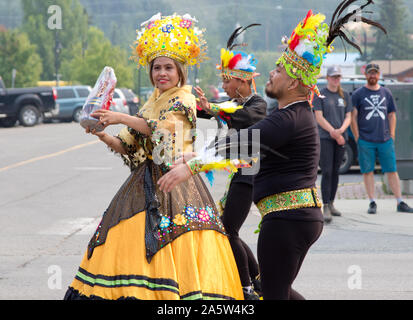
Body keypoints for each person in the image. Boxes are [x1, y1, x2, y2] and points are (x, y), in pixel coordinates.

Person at [158, 3, 386, 300]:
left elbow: (246, 140)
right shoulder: (292, 114)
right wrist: (194, 156)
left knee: (273, 294)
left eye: (277, 70)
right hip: (291, 218)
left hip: (287, 220)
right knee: (276, 291)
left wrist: (191, 165)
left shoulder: (289, 118)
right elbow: (245, 143)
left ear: (293, 81)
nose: (270, 74)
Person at [64, 13, 243, 300]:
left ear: (180, 72)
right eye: (157, 67)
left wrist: (120, 116)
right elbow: (128, 145)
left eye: (168, 68)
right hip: (142, 182)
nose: (162, 73)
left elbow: (160, 131)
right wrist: (101, 132)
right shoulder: (151, 100)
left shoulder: (184, 98)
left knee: (175, 251)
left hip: (177, 182)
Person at [194, 25, 267, 299]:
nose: (223, 86)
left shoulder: (258, 105)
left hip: (250, 176)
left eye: (227, 81)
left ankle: (247, 285)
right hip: (240, 175)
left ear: (242, 81)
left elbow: (243, 117)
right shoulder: (234, 104)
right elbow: (216, 111)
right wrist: (189, 104)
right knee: (229, 228)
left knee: (228, 229)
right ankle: (258, 279)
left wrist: (212, 108)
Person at [351, 63, 413, 214]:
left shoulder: (386, 92)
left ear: (379, 75)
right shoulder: (358, 94)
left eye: (375, 73)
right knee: (368, 171)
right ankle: (372, 202)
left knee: (392, 170)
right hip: (366, 139)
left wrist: (391, 134)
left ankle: (399, 202)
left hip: (385, 139)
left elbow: (392, 114)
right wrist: (357, 137)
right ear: (366, 75)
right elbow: (353, 116)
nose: (373, 76)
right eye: (370, 73)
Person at [313, 66, 352, 223]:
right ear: (328, 78)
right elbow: (319, 117)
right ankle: (326, 205)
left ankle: (332, 202)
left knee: (336, 171)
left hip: (341, 138)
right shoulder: (320, 95)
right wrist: (333, 132)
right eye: (333, 76)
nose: (336, 79)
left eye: (338, 77)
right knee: (327, 171)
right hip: (326, 138)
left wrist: (341, 131)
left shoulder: (345, 95)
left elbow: (349, 116)